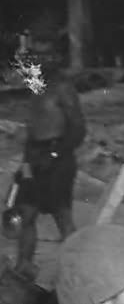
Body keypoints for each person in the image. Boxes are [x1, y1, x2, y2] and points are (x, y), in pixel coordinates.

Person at [13, 46, 85, 278]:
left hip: (58, 159)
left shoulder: (63, 87)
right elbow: (33, 130)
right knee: (25, 214)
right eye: (37, 55)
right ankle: (24, 267)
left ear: (55, 58)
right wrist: (25, 166)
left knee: (62, 216)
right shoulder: (35, 86)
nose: (40, 60)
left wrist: (54, 154)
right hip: (34, 157)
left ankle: (78, 272)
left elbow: (78, 129)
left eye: (45, 55)